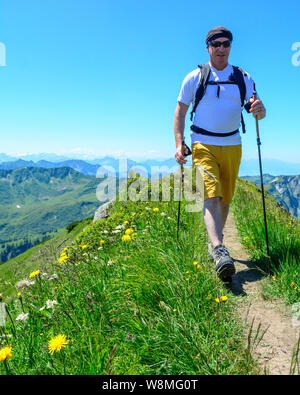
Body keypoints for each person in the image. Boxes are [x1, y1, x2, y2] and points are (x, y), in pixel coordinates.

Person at [173, 26, 266, 282]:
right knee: (210, 194)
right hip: (202, 142)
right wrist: (180, 143)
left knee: (225, 198)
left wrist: (260, 109)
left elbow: (256, 110)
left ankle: (218, 243)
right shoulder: (195, 77)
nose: (221, 48)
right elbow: (180, 111)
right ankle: (218, 249)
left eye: (226, 44)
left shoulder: (242, 77)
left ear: (230, 47)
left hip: (233, 143)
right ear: (208, 47)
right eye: (216, 44)